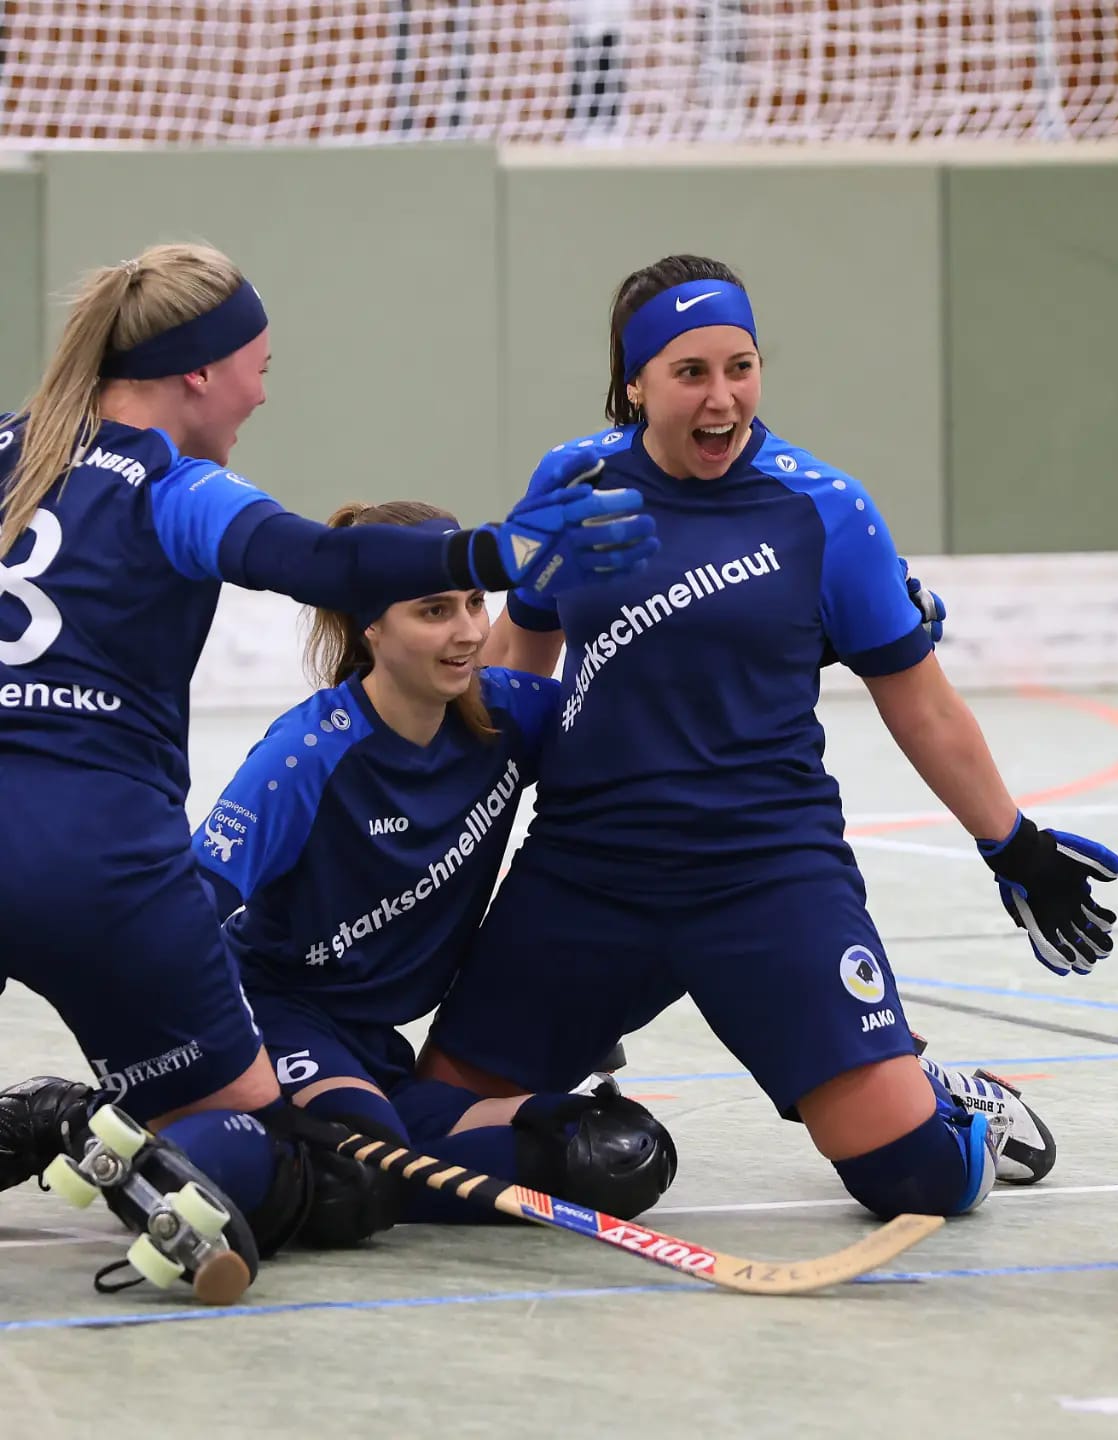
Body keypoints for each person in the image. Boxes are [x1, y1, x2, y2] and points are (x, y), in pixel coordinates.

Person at [0, 241, 656, 1300]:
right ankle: (87, 1129)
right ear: (199, 372)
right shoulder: (175, 487)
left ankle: (69, 1126)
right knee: (317, 1175)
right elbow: (324, 562)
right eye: (258, 366)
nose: (263, 392)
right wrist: (492, 555)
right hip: (105, 866)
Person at [419, 253, 1118, 1222]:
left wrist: (1013, 843)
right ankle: (574, 1093)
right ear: (636, 383)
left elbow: (922, 704)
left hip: (765, 874)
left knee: (915, 1181)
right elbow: (517, 666)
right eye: (691, 373)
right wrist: (442, 802)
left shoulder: (824, 508)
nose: (723, 399)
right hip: (588, 872)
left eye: (741, 367)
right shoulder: (575, 481)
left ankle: (940, 1096)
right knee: (428, 1140)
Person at [190, 498, 677, 1228]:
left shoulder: (514, 716)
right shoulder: (307, 756)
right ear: (369, 623)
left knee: (615, 1153)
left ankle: (322, 1158)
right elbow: (182, 909)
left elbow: (646, 754)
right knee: (360, 1176)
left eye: (476, 603)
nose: (469, 632)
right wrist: (182, 1065)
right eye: (434, 610)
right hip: (280, 1018)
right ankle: (168, 1140)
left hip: (378, 1050)